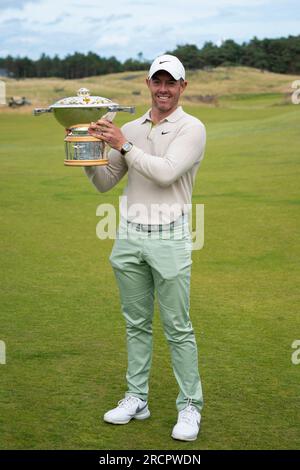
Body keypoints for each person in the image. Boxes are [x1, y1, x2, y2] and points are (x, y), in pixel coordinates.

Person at [85, 54, 206, 441]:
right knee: (135, 324)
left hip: (170, 235)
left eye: (171, 82)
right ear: (149, 84)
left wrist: (122, 144)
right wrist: (87, 151)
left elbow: (166, 171)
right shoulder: (132, 128)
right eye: (158, 81)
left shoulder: (192, 128)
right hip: (129, 235)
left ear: (182, 87)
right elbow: (106, 182)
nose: (164, 89)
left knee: (177, 327)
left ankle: (190, 406)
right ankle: (137, 397)